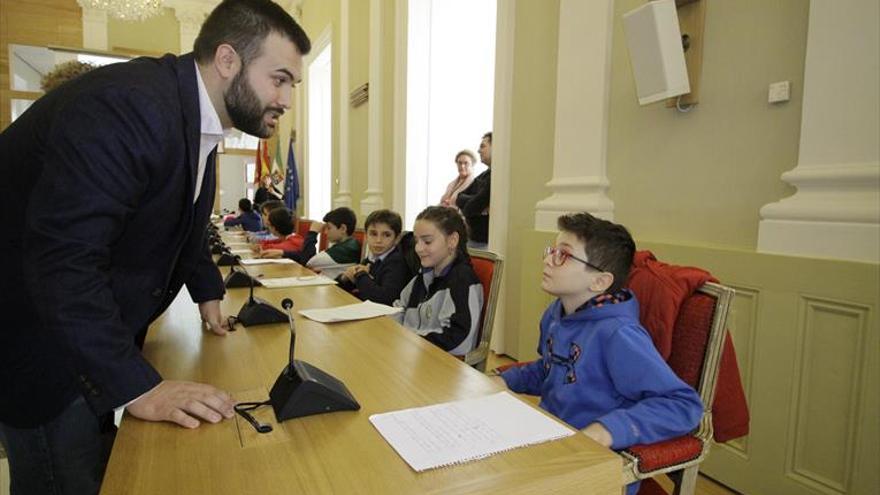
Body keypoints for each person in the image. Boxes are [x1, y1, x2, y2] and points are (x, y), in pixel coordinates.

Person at [0, 1, 311, 493]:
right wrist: (138, 385)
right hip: (44, 349)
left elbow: (181, 218)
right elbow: (63, 259)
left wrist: (207, 291)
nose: (287, 98)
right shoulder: (130, 105)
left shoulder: (188, 112)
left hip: (87, 341)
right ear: (228, 60)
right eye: (280, 78)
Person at [495, 213, 703, 495]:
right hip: (552, 442)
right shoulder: (556, 315)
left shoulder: (619, 335)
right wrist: (507, 380)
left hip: (596, 464)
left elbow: (683, 405)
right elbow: (551, 369)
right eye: (551, 251)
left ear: (600, 281)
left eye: (564, 256)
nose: (547, 260)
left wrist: (605, 430)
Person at [393, 206, 483, 356]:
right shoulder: (423, 275)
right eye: (417, 241)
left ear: (452, 240)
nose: (418, 248)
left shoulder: (462, 281)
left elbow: (460, 342)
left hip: (440, 365)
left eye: (427, 242)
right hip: (412, 353)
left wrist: (411, 341)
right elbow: (399, 308)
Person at [338, 209, 412, 305]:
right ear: (366, 236)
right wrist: (345, 278)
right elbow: (339, 289)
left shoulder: (396, 262)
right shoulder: (371, 259)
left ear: (397, 239)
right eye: (373, 234)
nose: (378, 240)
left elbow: (384, 299)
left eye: (386, 235)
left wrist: (360, 275)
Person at [456, 132, 492, 249]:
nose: (478, 151)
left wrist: (472, 205)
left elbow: (473, 206)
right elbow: (459, 197)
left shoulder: (496, 177)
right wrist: (478, 205)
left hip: (486, 242)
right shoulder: (483, 175)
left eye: (483, 146)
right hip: (473, 239)